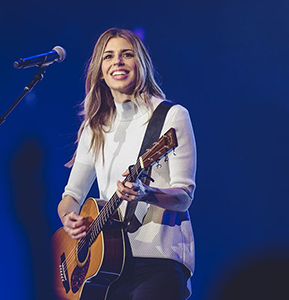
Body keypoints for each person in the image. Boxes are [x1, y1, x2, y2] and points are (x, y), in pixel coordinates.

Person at [57, 28, 196, 300]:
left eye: (126, 54)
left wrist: (147, 193)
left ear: (140, 64)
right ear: (100, 70)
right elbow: (71, 195)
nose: (117, 62)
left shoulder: (171, 116)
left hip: (156, 260)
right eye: (108, 56)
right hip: (103, 264)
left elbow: (184, 196)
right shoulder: (94, 127)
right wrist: (68, 219)